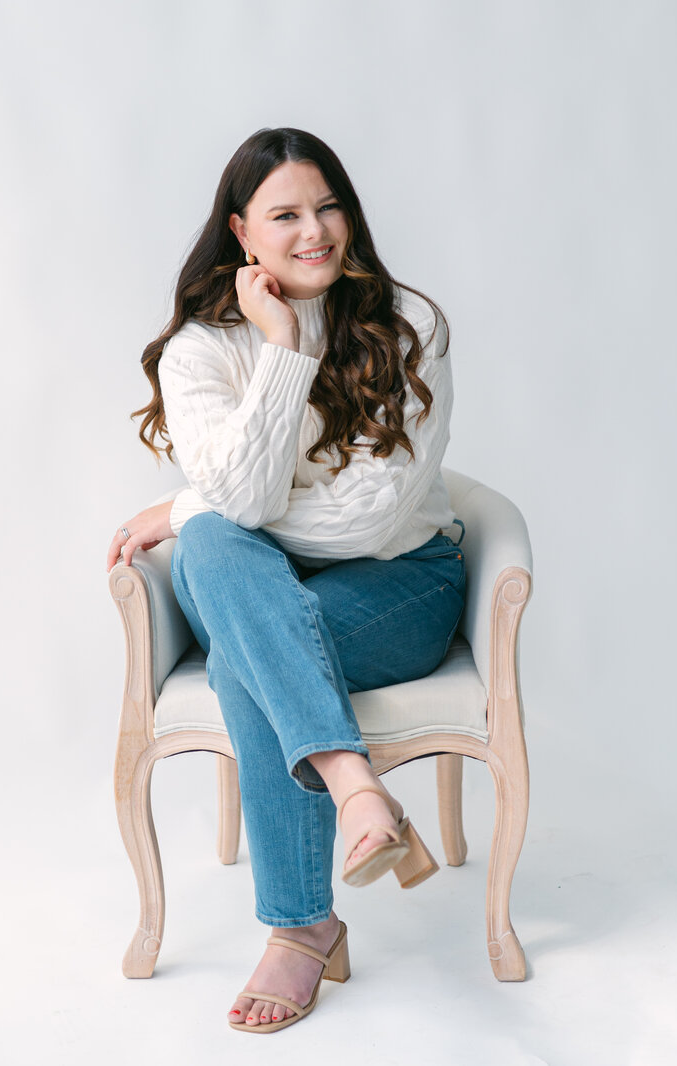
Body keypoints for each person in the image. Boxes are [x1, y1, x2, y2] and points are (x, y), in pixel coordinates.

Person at [106, 127, 466, 1034]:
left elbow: (368, 520)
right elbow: (245, 503)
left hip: (400, 587)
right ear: (242, 232)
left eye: (329, 205)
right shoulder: (202, 351)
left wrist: (188, 509)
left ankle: (303, 931)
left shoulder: (410, 328)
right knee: (222, 551)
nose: (316, 230)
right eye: (286, 214)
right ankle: (355, 788)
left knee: (240, 645)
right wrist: (284, 348)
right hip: (249, 580)